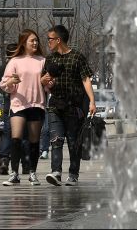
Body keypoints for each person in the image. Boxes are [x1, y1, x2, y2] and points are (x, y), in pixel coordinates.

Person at [40, 25, 96, 186]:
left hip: (74, 107)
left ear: (58, 40)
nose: (48, 42)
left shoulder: (77, 57)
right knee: (56, 140)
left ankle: (73, 174)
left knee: (73, 142)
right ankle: (56, 172)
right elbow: (44, 82)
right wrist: (44, 82)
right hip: (55, 105)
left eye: (50, 39)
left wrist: (92, 101)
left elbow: (86, 79)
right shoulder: (50, 59)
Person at [0, 29, 47, 186]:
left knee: (34, 141)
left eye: (36, 40)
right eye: (31, 40)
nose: (35, 43)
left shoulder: (42, 61)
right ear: (23, 43)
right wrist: (11, 83)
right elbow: (4, 84)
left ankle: (32, 173)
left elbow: (48, 86)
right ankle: (14, 174)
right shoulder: (14, 61)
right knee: (16, 139)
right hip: (18, 105)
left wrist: (48, 83)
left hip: (36, 104)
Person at [0, 43, 31, 175]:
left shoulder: (3, 67)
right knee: (24, 134)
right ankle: (26, 163)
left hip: (8, 102)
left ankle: (4, 159)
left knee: (8, 132)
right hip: (22, 102)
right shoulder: (21, 65)